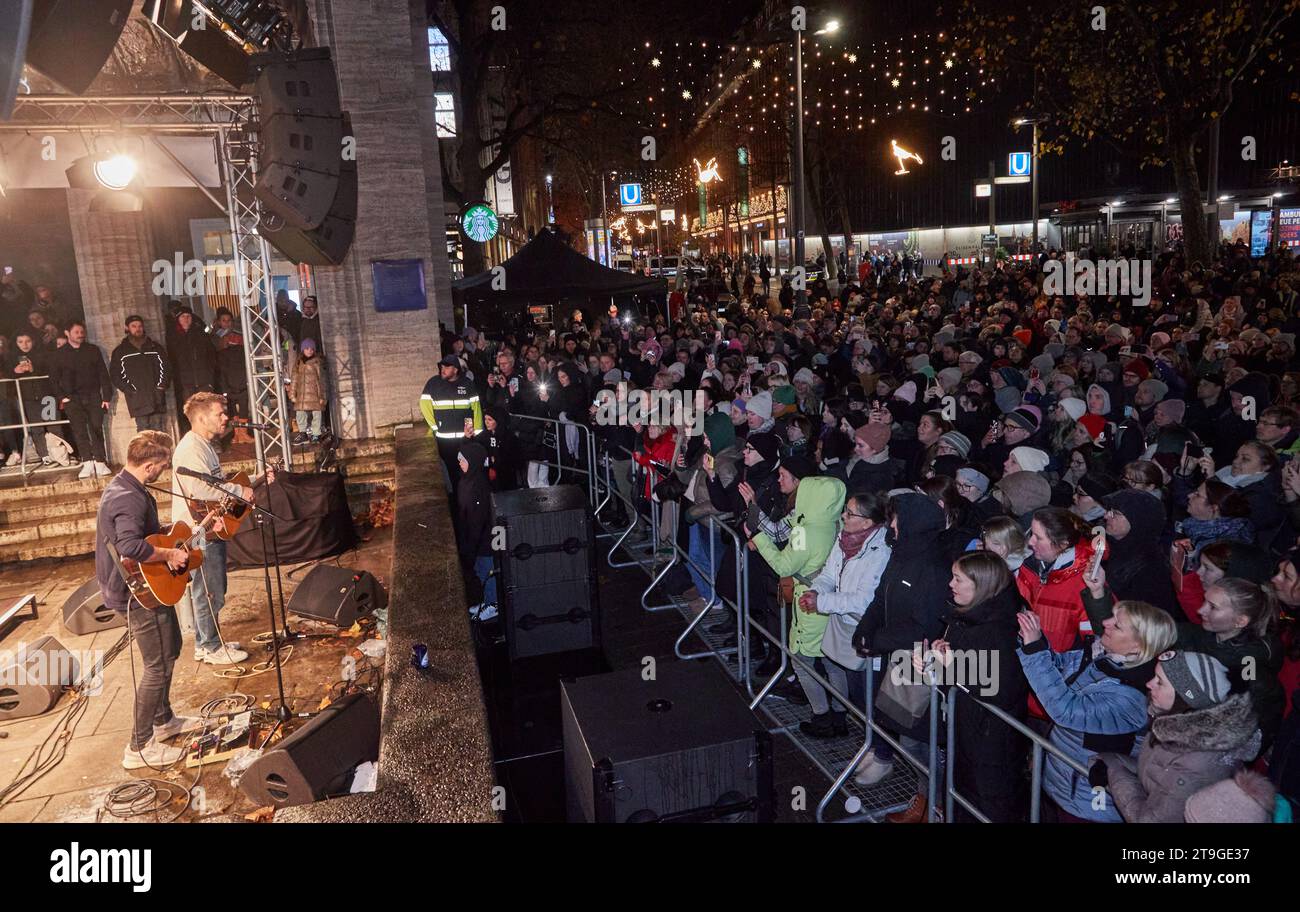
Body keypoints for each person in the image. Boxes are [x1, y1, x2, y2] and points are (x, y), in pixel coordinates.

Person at [894, 552, 1030, 823]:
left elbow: (999, 687)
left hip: (990, 739)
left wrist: (952, 665)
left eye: (958, 579)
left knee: (986, 805)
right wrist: (941, 652)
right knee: (962, 796)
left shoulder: (1000, 628)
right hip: (966, 727)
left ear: (981, 585)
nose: (951, 584)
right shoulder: (969, 614)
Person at [1017, 599, 1177, 822]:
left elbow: (1065, 710)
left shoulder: (1132, 697)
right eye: (1111, 616)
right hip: (1061, 780)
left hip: (1087, 802)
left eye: (1117, 625)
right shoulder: (1103, 657)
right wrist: (1030, 637)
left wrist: (1033, 649)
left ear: (1137, 647)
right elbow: (1058, 667)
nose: (1105, 623)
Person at [94, 431, 197, 769]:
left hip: (146, 588)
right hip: (135, 594)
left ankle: (164, 720)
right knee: (156, 665)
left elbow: (140, 534)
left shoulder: (128, 487)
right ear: (150, 465)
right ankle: (138, 748)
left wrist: (169, 532)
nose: (164, 470)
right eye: (163, 465)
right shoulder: (128, 497)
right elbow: (130, 547)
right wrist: (169, 553)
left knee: (171, 649)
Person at [851, 493, 953, 786]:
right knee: (898, 729)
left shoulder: (933, 567)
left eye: (895, 518)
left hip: (917, 665)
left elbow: (926, 627)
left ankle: (932, 798)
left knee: (914, 739)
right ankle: (922, 793)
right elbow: (881, 595)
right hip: (894, 657)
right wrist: (866, 629)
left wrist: (877, 639)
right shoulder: (900, 553)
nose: (890, 524)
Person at [1098, 651, 1260, 823]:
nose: (1149, 684)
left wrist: (1113, 771)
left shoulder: (1199, 761)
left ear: (1186, 698)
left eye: (1160, 682)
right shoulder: (1173, 722)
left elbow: (1149, 820)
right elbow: (1153, 773)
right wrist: (1109, 761)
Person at [172, 392, 265, 665]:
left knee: (213, 586)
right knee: (209, 588)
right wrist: (239, 490)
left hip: (210, 525)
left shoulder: (204, 445)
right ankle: (210, 647)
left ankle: (207, 641)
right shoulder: (191, 448)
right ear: (201, 418)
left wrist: (252, 482)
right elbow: (199, 487)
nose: (226, 418)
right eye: (219, 413)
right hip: (198, 529)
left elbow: (213, 483)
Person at [751, 476, 847, 734]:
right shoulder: (837, 523)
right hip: (833, 602)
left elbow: (785, 565)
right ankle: (840, 715)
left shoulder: (805, 531)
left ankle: (822, 717)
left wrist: (760, 540)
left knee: (802, 660)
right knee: (832, 661)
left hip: (809, 603)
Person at [797, 491, 891, 739]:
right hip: (844, 623)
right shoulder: (845, 539)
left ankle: (876, 746)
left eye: (850, 513)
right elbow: (828, 574)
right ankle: (856, 732)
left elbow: (864, 600)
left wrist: (823, 602)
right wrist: (816, 591)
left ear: (868, 522)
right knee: (845, 678)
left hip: (865, 631)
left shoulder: (880, 552)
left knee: (864, 695)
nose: (843, 516)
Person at [50, 320, 111, 478]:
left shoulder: (92, 350)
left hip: (93, 396)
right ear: (67, 333)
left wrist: (106, 396)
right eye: (76, 332)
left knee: (96, 428)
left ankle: (100, 461)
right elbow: (54, 379)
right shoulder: (59, 354)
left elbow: (103, 373)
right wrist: (62, 397)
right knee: (79, 431)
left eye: (81, 331)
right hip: (72, 398)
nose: (80, 334)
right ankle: (87, 462)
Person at [420, 354, 483, 494]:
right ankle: (457, 499)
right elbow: (424, 405)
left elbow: (476, 408)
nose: (442, 369)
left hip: (465, 439)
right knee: (452, 471)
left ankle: (467, 497)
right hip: (445, 440)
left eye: (446, 367)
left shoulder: (467, 383)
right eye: (441, 367)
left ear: (455, 369)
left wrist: (477, 432)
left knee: (467, 470)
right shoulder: (433, 383)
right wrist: (435, 427)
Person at [456, 439, 497, 621]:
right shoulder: (468, 481)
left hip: (486, 539)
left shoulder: (478, 485)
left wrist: (470, 546)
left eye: (463, 459)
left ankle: (494, 604)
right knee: (481, 571)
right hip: (478, 539)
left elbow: (478, 520)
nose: (459, 462)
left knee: (488, 571)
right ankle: (487, 600)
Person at [109, 314, 170, 433]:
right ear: (127, 328)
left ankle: (160, 452)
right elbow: (116, 374)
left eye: (140, 326)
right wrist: (129, 389)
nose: (138, 329)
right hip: (137, 398)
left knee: (159, 428)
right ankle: (145, 453)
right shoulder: (121, 351)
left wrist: (161, 385)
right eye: (134, 326)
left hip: (156, 395)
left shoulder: (155, 347)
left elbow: (166, 367)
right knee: (143, 430)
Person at [167, 306, 216, 433]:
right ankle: (195, 438)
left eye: (188, 316)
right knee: (190, 412)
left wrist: (209, 374)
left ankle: (212, 438)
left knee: (208, 410)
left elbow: (211, 355)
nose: (186, 319)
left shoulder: (200, 334)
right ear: (178, 319)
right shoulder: (172, 337)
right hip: (185, 382)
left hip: (204, 379)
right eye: (182, 316)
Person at [287, 338, 328, 444]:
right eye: (307, 348)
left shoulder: (317, 363)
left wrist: (322, 396)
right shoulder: (298, 364)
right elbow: (294, 380)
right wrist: (292, 394)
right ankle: (303, 434)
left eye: (311, 349)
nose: (309, 350)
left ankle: (316, 434)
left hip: (314, 394)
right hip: (301, 394)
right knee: (300, 414)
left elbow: (322, 381)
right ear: (302, 350)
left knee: (317, 414)